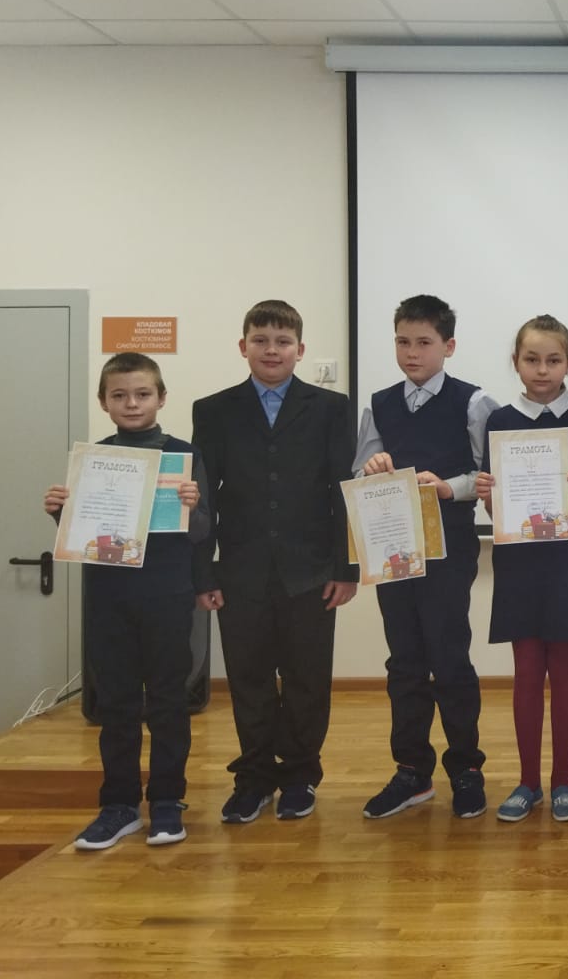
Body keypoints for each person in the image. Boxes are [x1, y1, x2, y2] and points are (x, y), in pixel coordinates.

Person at [192, 300, 355, 824]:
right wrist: (204, 571)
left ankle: (300, 775)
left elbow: (343, 491)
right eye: (260, 340)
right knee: (249, 679)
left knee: (308, 678)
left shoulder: (331, 408)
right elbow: (203, 498)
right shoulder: (213, 410)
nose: (271, 350)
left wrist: (346, 568)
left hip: (312, 571)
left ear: (300, 350)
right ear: (243, 347)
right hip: (240, 571)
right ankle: (255, 778)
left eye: (282, 342)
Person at [45, 353, 209, 850]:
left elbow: (203, 533)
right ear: (104, 402)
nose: (131, 403)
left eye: (142, 394)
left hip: (167, 596)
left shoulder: (184, 455)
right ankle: (118, 806)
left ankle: (167, 800)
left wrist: (193, 507)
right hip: (109, 598)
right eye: (119, 395)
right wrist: (61, 514)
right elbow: (86, 534)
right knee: (115, 702)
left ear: (161, 398)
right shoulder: (93, 459)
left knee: (167, 700)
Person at [353, 295, 497, 820]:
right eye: (402, 342)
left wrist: (449, 487)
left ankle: (466, 768)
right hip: (393, 548)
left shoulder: (474, 402)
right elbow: (359, 470)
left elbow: (488, 474)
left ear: (448, 346)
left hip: (449, 549)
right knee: (404, 661)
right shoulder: (379, 404)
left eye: (423, 342)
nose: (411, 353)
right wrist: (371, 469)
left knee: (449, 657)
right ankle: (412, 770)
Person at [475, 314, 568, 824]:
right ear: (516, 363)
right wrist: (488, 497)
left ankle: (563, 780)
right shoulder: (499, 421)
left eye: (553, 360)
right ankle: (528, 782)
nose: (542, 370)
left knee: (565, 669)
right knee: (526, 670)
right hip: (520, 562)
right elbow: (497, 510)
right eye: (532, 359)